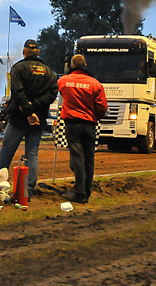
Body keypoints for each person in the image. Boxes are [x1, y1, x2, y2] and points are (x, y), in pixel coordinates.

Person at [0, 39, 58, 199]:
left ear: (24, 52)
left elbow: (17, 93)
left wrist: (27, 111)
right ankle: (27, 190)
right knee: (32, 154)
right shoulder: (49, 71)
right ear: (38, 52)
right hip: (38, 120)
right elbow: (53, 94)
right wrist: (34, 107)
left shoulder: (18, 68)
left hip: (19, 119)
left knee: (7, 152)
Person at [58, 54, 108, 204]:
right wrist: (95, 116)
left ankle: (79, 193)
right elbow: (102, 107)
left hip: (72, 124)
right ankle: (86, 191)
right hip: (89, 124)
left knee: (77, 158)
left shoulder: (63, 81)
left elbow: (62, 93)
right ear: (85, 65)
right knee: (89, 158)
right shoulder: (96, 84)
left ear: (72, 65)